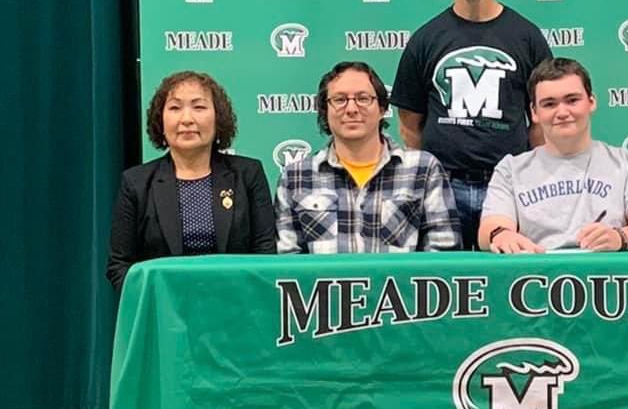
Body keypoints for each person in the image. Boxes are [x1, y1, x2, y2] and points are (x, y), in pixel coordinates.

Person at [389, 0, 552, 250]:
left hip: (509, 186)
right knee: (444, 284)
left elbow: (540, 122)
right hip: (443, 187)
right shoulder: (425, 39)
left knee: (509, 280)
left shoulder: (527, 37)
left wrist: (526, 175)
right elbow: (409, 126)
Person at [106, 71, 276, 291]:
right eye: (175, 108)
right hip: (165, 314)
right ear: (160, 119)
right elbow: (119, 266)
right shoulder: (136, 182)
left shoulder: (248, 174)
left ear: (218, 118)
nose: (187, 119)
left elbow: (265, 255)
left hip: (237, 308)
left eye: (199, 107)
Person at [478, 58, 628, 253]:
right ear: (534, 113)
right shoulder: (510, 169)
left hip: (608, 275)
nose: (562, 112)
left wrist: (620, 236)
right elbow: (489, 229)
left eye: (572, 100)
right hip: (537, 275)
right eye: (549, 104)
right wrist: (502, 235)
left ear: (591, 102)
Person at [275, 61, 461, 253]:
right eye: (339, 100)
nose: (351, 109)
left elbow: (442, 255)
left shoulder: (423, 169)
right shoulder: (296, 177)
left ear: (381, 108)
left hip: (398, 283)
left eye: (363, 99)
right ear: (325, 110)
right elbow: (287, 263)